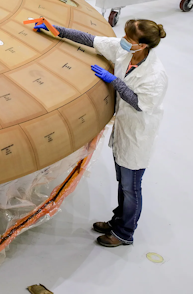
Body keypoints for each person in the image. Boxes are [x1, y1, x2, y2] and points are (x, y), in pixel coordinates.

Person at [32, 18, 168, 247]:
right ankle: (117, 221)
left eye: (129, 39)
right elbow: (90, 40)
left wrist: (115, 81)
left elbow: (139, 103)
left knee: (131, 187)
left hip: (137, 136)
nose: (123, 41)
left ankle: (124, 233)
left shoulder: (155, 75)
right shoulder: (126, 52)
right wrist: (55, 30)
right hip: (124, 131)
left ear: (142, 45)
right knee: (123, 184)